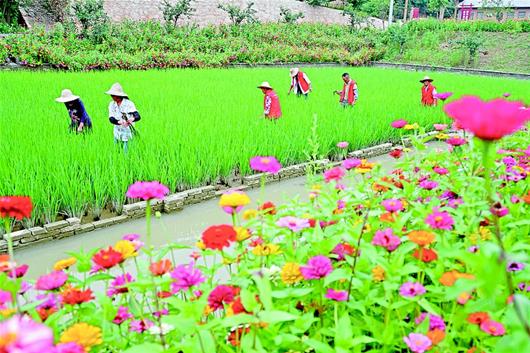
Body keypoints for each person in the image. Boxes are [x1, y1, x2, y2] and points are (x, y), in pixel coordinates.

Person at [105, 83, 141, 152]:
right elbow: (111, 118)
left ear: (118, 95)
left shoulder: (128, 104)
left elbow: (138, 116)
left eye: (113, 95)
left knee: (125, 151)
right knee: (116, 150)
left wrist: (131, 119)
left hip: (127, 132)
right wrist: (119, 122)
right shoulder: (112, 104)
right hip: (117, 131)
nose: (112, 96)